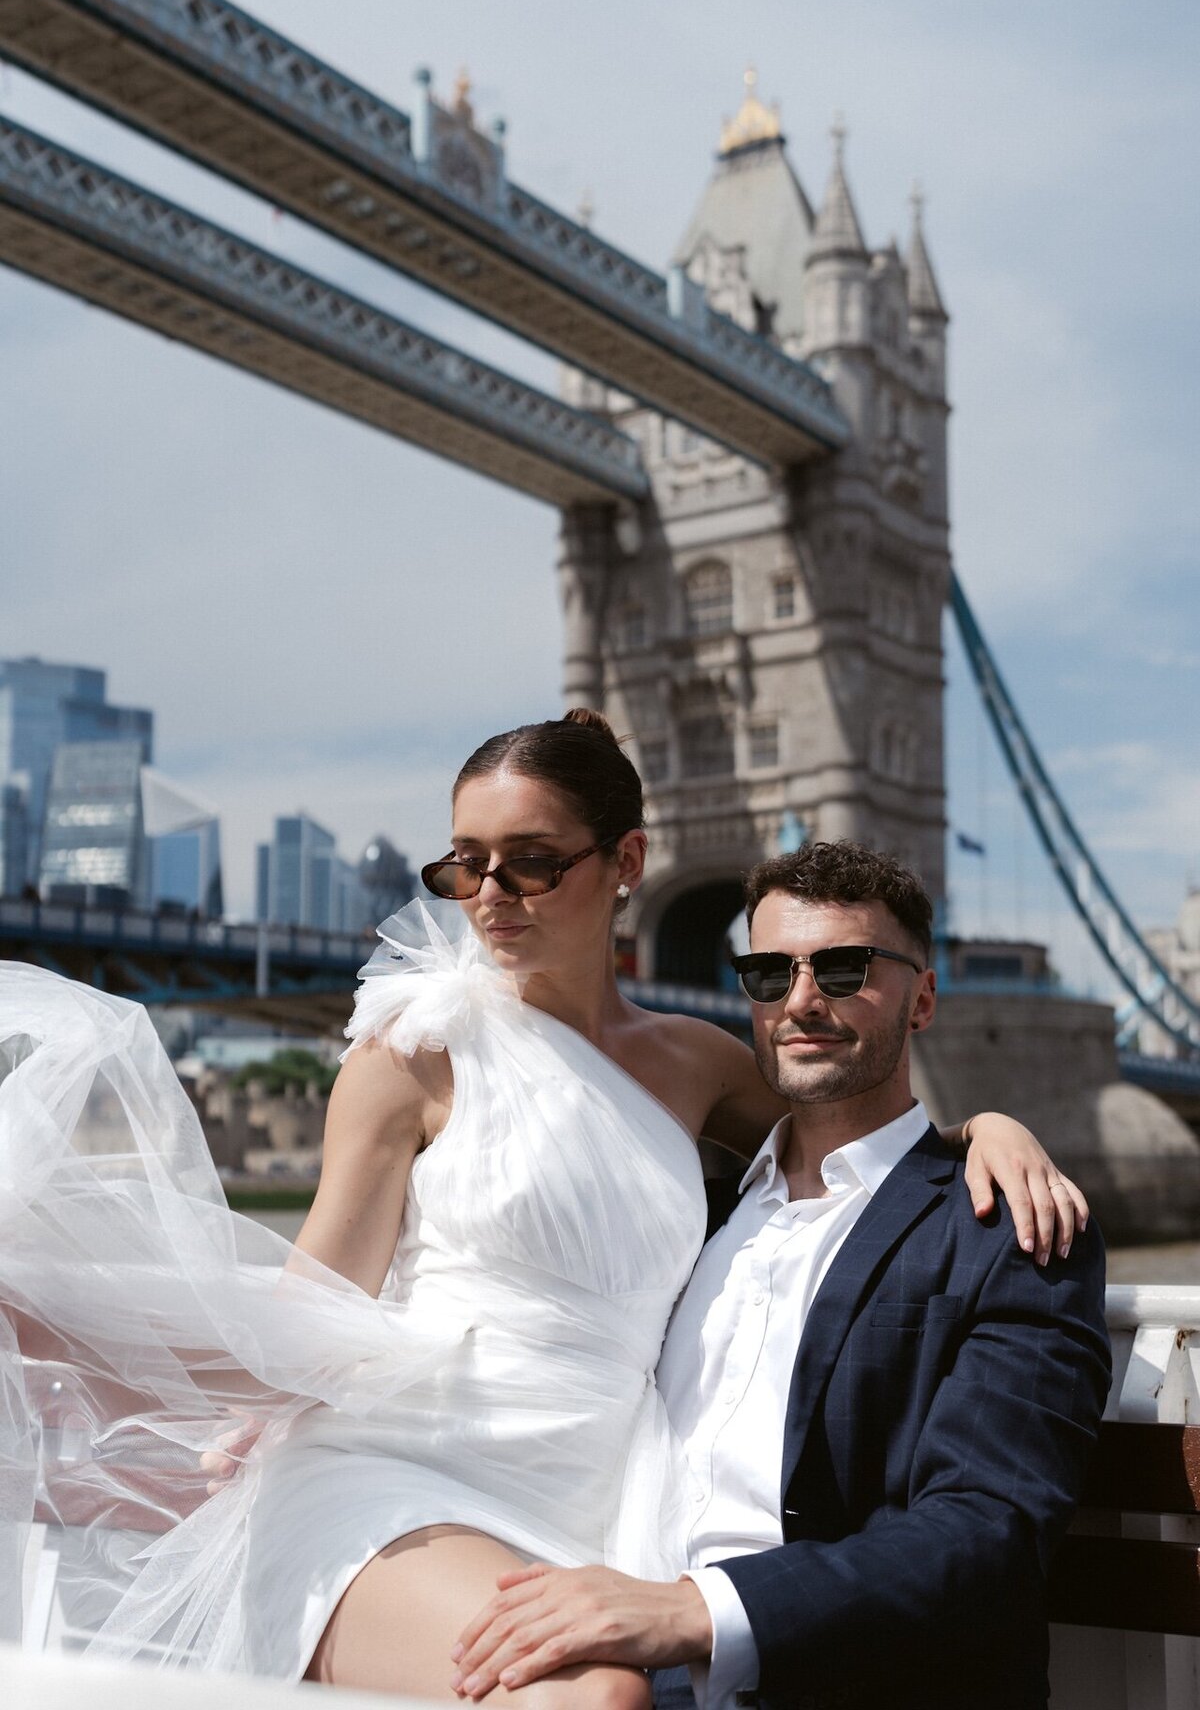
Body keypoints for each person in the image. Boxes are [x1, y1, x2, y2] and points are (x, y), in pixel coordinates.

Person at [0, 716, 1087, 1703]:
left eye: (530, 862)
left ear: (626, 864)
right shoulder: (408, 1057)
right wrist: (48, 1306)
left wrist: (985, 1128)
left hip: (594, 1510)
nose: (491, 896)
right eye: (465, 865)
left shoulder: (700, 1064)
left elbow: (855, 1133)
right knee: (591, 1696)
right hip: (399, 1480)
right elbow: (312, 1309)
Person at [447, 840, 1111, 1710]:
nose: (802, 1000)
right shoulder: (688, 1221)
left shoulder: (1006, 1229)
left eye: (845, 970)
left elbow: (989, 1530)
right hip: (596, 1665)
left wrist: (690, 1614)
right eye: (769, 973)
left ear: (924, 999)